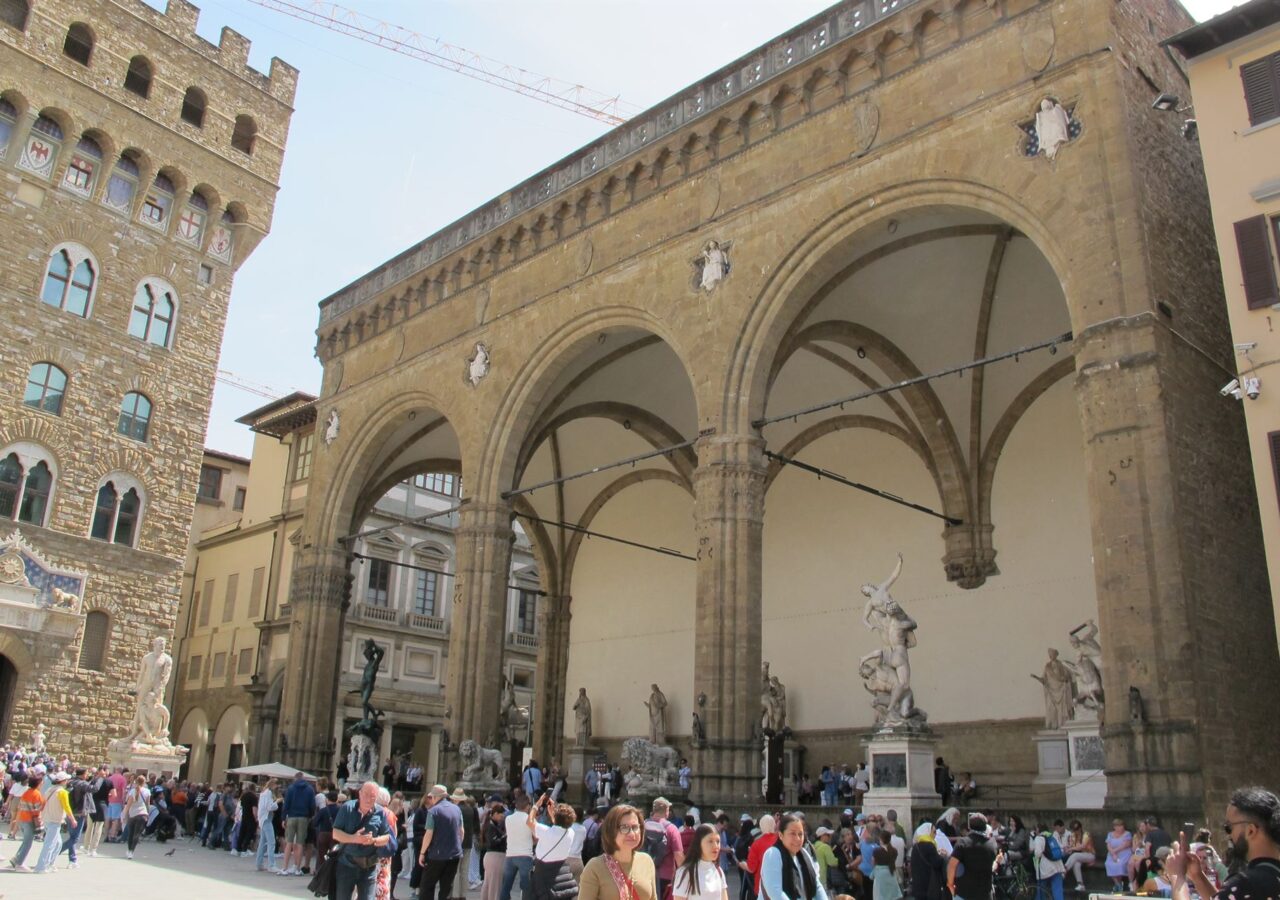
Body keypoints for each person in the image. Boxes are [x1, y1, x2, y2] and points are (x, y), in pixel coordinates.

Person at [1167, 786, 1280, 900]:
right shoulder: (1267, 878)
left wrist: (1177, 876)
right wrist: (1197, 876)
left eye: (1229, 827)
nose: (1229, 835)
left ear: (1250, 831)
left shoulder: (1245, 884)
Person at [578, 804, 657, 900]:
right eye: (624, 828)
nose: (632, 833)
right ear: (611, 831)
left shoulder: (646, 861)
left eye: (635, 827)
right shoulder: (595, 867)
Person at [333, 781, 395, 900]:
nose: (368, 799)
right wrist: (353, 838)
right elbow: (335, 833)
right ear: (359, 794)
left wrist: (373, 840)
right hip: (346, 864)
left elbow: (386, 837)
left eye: (372, 796)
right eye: (366, 794)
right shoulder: (347, 808)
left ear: (376, 797)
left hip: (368, 866)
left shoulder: (381, 812)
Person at [761, 813, 828, 900]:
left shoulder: (804, 853)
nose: (798, 839)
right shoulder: (773, 854)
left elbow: (816, 884)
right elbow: (775, 892)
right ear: (781, 835)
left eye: (800, 834)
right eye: (792, 834)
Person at [529, 794, 579, 900]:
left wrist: (536, 805)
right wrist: (554, 814)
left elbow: (529, 822)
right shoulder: (571, 832)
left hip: (544, 874)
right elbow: (559, 825)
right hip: (562, 872)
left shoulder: (546, 832)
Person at [419, 784, 465, 900]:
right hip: (454, 854)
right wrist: (458, 845)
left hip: (436, 855)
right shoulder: (457, 809)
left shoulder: (433, 811)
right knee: (446, 887)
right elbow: (461, 831)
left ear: (435, 797)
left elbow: (428, 834)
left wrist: (422, 853)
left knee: (427, 886)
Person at [33, 770, 75, 873]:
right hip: (54, 820)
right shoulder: (62, 792)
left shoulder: (49, 790)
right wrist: (73, 819)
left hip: (47, 818)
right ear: (63, 781)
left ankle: (50, 863)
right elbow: (67, 807)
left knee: (57, 843)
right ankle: (41, 866)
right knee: (49, 844)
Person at [674, 823, 728, 900]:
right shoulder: (686, 872)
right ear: (699, 844)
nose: (716, 846)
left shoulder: (718, 871)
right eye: (710, 841)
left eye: (718, 841)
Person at [646, 796, 686, 900]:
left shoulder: (643, 826)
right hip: (665, 876)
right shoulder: (672, 829)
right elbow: (679, 856)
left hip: (645, 874)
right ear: (667, 811)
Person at [948, 814, 996, 900]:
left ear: (969, 827)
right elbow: (993, 866)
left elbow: (952, 865)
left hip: (963, 893)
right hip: (985, 894)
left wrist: (950, 884)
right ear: (985, 827)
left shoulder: (962, 843)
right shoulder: (992, 844)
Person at [501, 794, 537, 900]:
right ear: (528, 806)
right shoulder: (530, 819)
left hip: (510, 854)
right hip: (525, 855)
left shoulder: (508, 818)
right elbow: (536, 837)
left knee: (505, 887)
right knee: (526, 888)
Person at [281, 770, 317, 876]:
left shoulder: (291, 788)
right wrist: (310, 816)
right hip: (304, 817)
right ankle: (297, 868)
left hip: (292, 817)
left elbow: (286, 804)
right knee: (300, 843)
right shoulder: (310, 789)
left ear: (295, 778)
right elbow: (312, 805)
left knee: (289, 842)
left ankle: (285, 867)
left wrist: (283, 818)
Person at [8, 772, 43, 871]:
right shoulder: (36, 794)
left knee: (26, 841)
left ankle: (17, 859)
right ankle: (20, 863)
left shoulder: (26, 792)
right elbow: (37, 810)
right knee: (28, 842)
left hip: (23, 818)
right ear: (39, 783)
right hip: (30, 820)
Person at [480, 798, 508, 900]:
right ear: (495, 813)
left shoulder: (490, 825)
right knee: (495, 886)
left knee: (489, 885)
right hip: (495, 857)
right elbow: (493, 842)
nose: (501, 818)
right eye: (500, 816)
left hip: (491, 857)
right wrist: (505, 836)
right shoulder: (491, 826)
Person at [909, 823, 947, 900]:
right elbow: (937, 863)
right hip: (928, 885)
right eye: (934, 832)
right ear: (927, 832)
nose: (935, 834)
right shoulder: (930, 845)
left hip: (917, 884)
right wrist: (943, 856)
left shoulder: (916, 846)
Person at [748, 814, 780, 897]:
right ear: (774, 825)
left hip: (762, 887)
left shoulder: (756, 844)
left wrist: (743, 865)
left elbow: (751, 868)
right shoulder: (781, 841)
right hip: (780, 885)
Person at [1033, 823, 1066, 900]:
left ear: (1038, 829)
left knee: (1041, 890)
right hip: (1057, 866)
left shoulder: (1039, 838)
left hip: (1045, 869)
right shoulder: (1052, 836)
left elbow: (1037, 854)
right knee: (1058, 891)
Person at [1062, 820, 1096, 892]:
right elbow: (1071, 846)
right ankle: (1081, 885)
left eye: (1076, 830)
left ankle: (1064, 871)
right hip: (1079, 856)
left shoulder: (1086, 834)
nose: (1075, 831)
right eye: (1074, 830)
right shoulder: (1072, 835)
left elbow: (1082, 846)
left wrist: (1071, 848)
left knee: (1075, 855)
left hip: (1089, 855)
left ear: (1080, 828)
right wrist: (1067, 848)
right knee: (1076, 864)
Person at [122, 774, 150, 860]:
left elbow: (129, 804)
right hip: (143, 814)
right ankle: (132, 851)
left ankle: (129, 850)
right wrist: (148, 813)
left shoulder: (132, 791)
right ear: (144, 782)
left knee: (131, 833)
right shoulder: (147, 791)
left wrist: (124, 814)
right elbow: (147, 804)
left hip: (133, 814)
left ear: (136, 781)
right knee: (137, 834)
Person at [257, 778, 281, 872]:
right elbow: (270, 807)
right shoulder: (268, 793)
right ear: (273, 785)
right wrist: (277, 801)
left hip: (263, 819)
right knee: (271, 842)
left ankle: (259, 863)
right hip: (267, 819)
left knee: (262, 843)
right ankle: (271, 865)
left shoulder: (264, 793)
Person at [1104, 819, 1133, 893]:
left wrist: (1115, 851)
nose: (1121, 827)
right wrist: (1112, 853)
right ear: (1114, 827)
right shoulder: (1110, 834)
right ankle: (1118, 884)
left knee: (1119, 864)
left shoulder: (1127, 834)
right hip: (1112, 854)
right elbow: (1108, 845)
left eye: (1121, 825)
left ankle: (1119, 885)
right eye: (1118, 826)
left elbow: (1126, 845)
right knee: (1108, 864)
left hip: (1124, 853)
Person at [873, 828, 902, 900]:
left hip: (880, 876)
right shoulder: (894, 851)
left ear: (881, 839)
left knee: (880, 896)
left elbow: (873, 862)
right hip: (891, 873)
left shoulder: (876, 851)